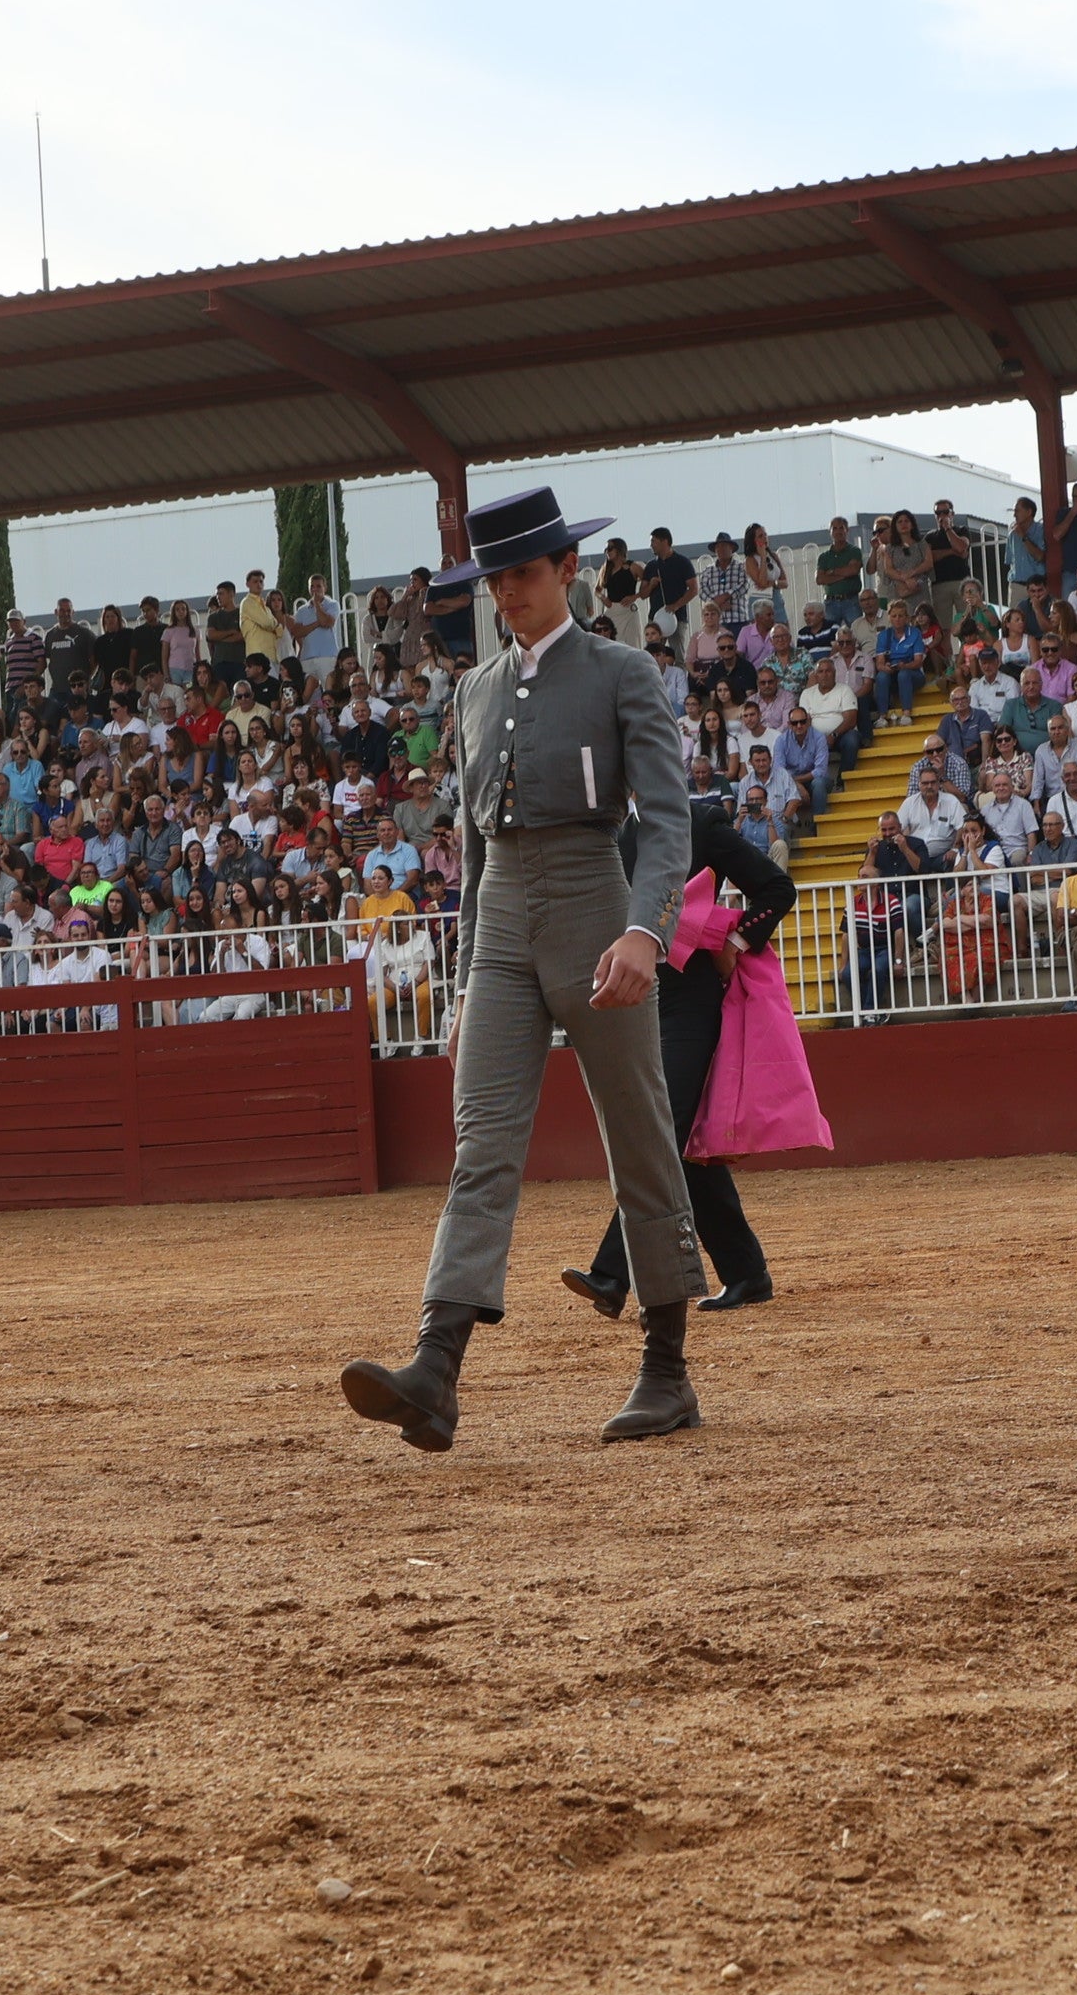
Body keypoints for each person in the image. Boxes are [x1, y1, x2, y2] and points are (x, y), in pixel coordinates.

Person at [339, 486, 713, 1452]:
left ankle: (667, 1369)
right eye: (493, 576)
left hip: (596, 900)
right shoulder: (474, 690)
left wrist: (645, 930)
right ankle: (437, 1366)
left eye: (523, 572)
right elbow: (469, 847)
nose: (507, 590)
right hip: (502, 919)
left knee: (637, 1134)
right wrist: (464, 980)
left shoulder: (623, 671)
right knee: (481, 1144)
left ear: (566, 572)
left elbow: (667, 821)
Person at [558, 798, 800, 1317]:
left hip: (693, 1003)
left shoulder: (698, 823)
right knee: (684, 1146)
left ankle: (612, 1273)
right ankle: (745, 1273)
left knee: (658, 1130)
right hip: (642, 1000)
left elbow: (777, 889)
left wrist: (737, 938)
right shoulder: (612, 833)